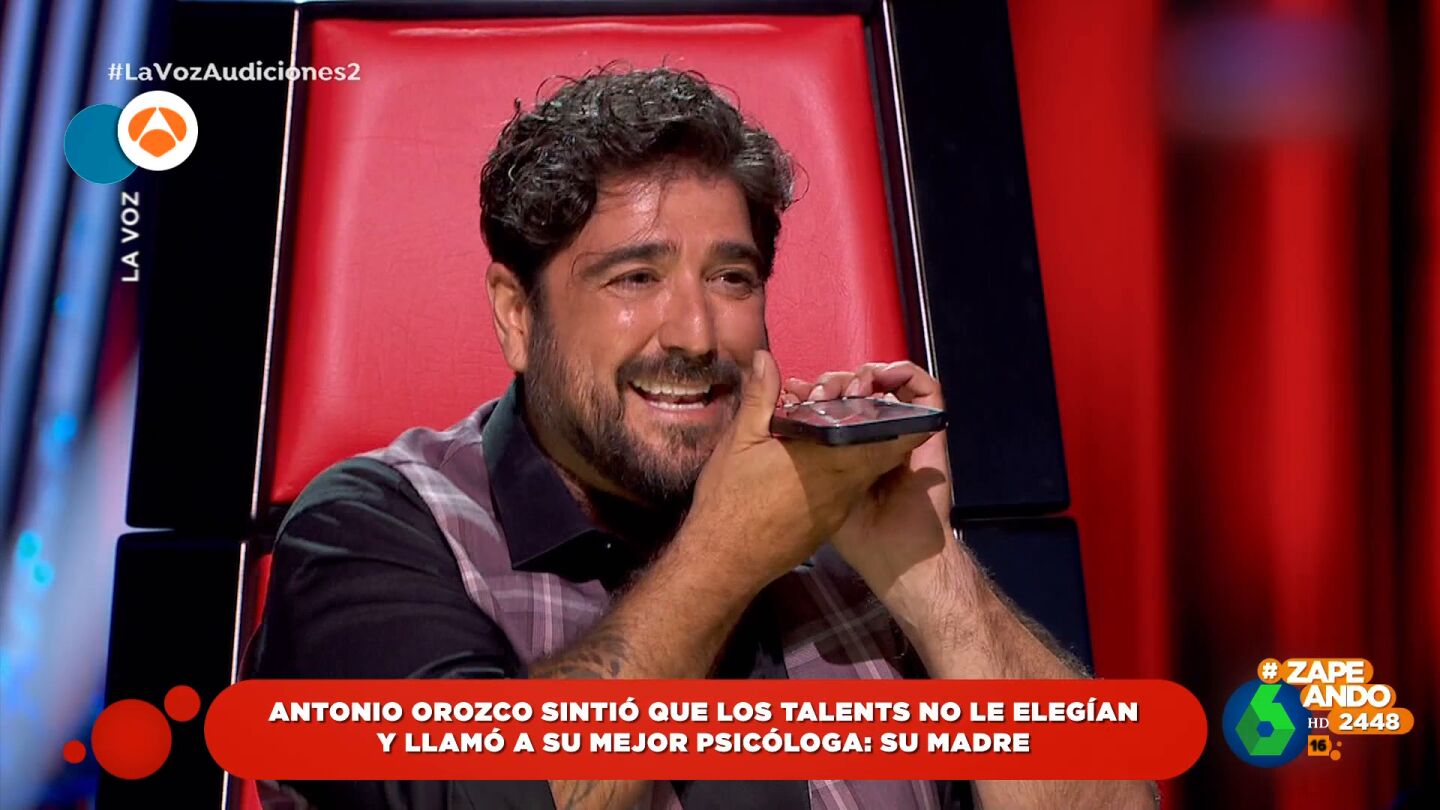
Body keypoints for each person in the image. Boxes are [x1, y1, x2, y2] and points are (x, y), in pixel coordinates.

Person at [250, 66, 1157, 810]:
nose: (694, 334)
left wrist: (927, 569)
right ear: (517, 314)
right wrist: (726, 554)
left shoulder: (839, 548)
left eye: (731, 278)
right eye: (635, 277)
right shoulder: (374, 531)